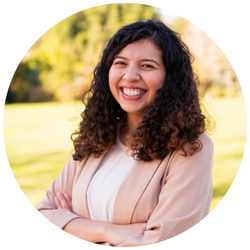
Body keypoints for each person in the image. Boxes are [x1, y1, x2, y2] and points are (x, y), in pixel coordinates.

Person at [35, 19, 214, 247]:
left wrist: (72, 225)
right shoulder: (98, 138)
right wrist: (108, 231)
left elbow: (159, 241)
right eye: (120, 63)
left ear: (170, 79)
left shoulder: (189, 147)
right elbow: (42, 214)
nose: (130, 76)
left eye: (147, 66)